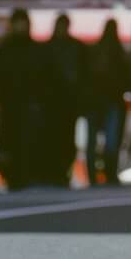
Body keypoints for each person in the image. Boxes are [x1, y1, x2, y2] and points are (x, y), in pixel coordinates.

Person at [0, 7, 46, 190]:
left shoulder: (28, 49)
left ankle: (21, 175)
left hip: (25, 101)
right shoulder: (8, 48)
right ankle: (14, 175)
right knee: (10, 139)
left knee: (23, 139)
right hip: (11, 101)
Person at [85, 17, 131, 186]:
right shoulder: (118, 52)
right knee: (110, 141)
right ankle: (109, 173)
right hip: (111, 101)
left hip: (97, 102)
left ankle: (93, 175)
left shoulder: (96, 50)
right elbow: (126, 78)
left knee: (93, 142)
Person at [44, 13, 85, 187]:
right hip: (60, 101)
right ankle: (57, 171)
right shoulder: (73, 48)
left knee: (61, 138)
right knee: (61, 138)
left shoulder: (51, 48)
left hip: (61, 102)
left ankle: (58, 171)